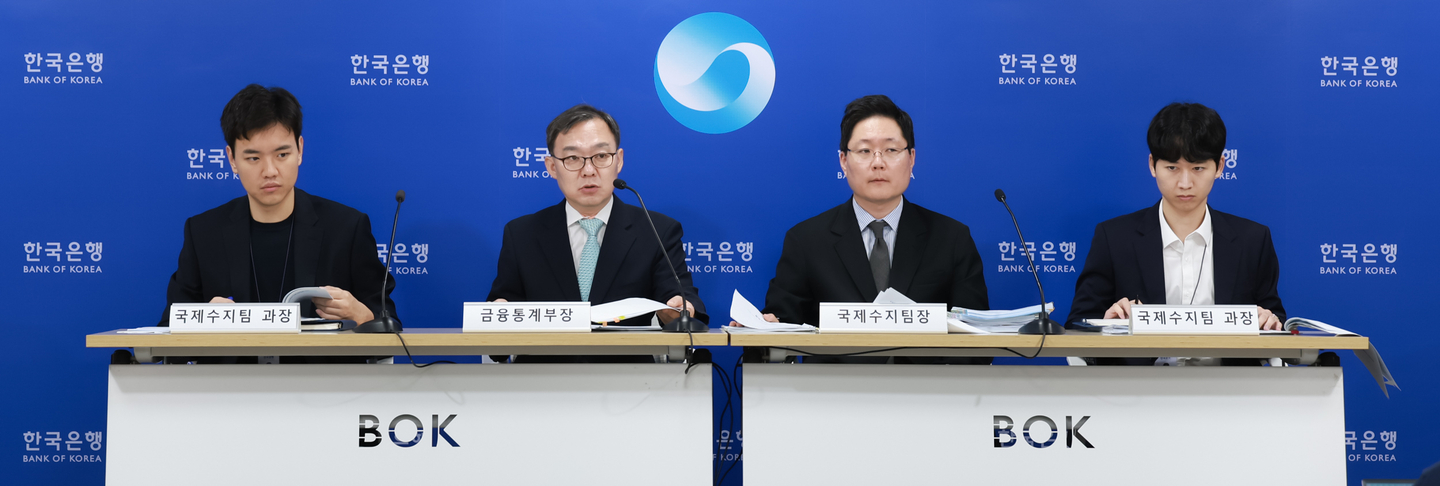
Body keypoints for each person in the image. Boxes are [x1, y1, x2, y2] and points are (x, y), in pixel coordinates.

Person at [160, 85, 396, 362]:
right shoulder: (203, 232)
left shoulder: (346, 227)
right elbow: (166, 336)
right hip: (230, 387)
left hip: (324, 386)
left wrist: (362, 315)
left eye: (282, 155)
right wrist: (200, 319)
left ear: (300, 150)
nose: (270, 171)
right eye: (253, 158)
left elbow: (391, 329)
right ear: (232, 160)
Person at [758, 95, 989, 364]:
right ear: (843, 161)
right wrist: (764, 326)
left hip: (928, 387)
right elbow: (782, 327)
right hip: (833, 388)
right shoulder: (806, 240)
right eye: (865, 151)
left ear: (911, 158)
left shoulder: (951, 238)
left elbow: (975, 340)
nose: (878, 162)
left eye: (891, 150)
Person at [1067, 102, 1284, 365]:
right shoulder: (1114, 238)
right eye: (1172, 168)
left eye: (1198, 168)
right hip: (1137, 387)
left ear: (1220, 166)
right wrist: (1107, 324)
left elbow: (1276, 323)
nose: (1185, 183)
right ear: (1152, 165)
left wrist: (1269, 322)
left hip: (1229, 386)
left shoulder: (1252, 240)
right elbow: (1077, 326)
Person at [487, 104, 705, 362]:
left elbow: (683, 302)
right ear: (551, 166)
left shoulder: (657, 230)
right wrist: (498, 313)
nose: (588, 170)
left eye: (601, 156)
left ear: (619, 160)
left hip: (631, 379)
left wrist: (679, 310)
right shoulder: (522, 234)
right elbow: (498, 332)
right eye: (572, 158)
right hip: (541, 379)